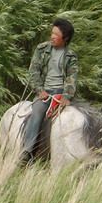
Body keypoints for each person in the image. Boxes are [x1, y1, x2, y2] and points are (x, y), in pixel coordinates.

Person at [20, 18, 78, 163]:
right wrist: (40, 91)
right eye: (52, 33)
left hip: (62, 93)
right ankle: (27, 151)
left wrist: (67, 96)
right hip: (46, 92)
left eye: (55, 34)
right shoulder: (42, 49)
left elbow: (72, 77)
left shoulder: (71, 56)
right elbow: (33, 71)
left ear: (65, 38)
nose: (52, 36)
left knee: (79, 116)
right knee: (37, 112)